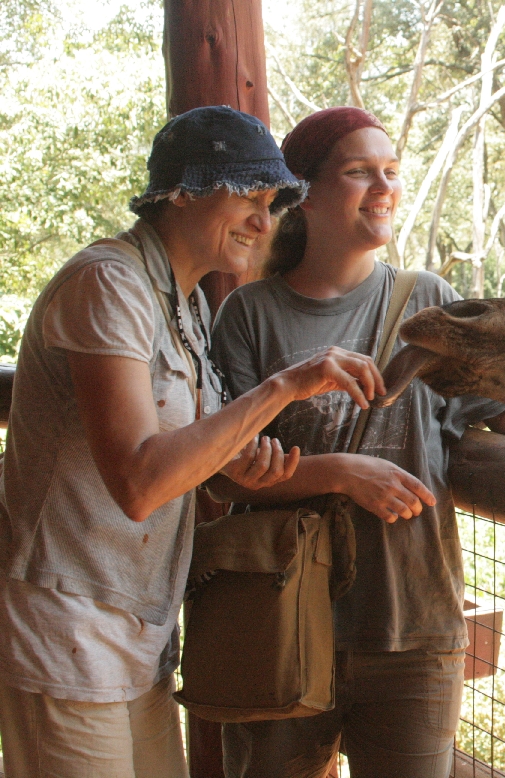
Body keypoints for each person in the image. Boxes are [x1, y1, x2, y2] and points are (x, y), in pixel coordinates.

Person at [0, 106, 389, 778]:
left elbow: (198, 461)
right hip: (67, 631)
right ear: (183, 192)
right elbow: (140, 483)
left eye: (270, 205)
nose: (264, 223)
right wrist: (285, 386)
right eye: (248, 198)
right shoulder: (108, 283)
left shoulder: (186, 304)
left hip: (142, 630)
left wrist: (242, 466)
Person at [209, 106, 505, 778]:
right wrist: (343, 473)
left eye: (392, 171)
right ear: (305, 193)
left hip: (414, 628)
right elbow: (223, 473)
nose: (384, 187)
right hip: (276, 621)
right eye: (359, 172)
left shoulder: (427, 300)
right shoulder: (249, 314)